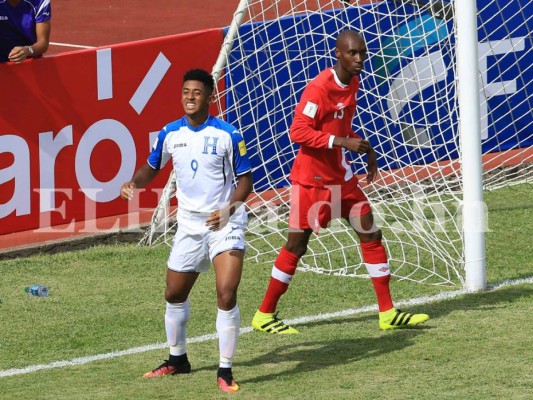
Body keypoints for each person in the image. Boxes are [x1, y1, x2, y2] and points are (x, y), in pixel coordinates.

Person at [251, 30, 429, 334]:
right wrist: (341, 142)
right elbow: (298, 132)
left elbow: (342, 128)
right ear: (338, 54)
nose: (359, 59)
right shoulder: (319, 89)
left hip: (343, 179)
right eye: (352, 54)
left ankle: (387, 312)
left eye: (362, 53)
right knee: (297, 244)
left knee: (370, 231)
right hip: (312, 182)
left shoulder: (354, 82)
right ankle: (264, 314)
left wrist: (366, 150)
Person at [121, 69, 253, 393]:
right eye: (185, 92)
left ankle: (225, 370)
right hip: (190, 225)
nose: (190, 98)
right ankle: (177, 359)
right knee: (174, 293)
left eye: (196, 92)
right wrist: (135, 182)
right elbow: (153, 165)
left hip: (225, 222)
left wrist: (227, 210)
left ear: (210, 97)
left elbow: (246, 180)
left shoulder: (229, 135)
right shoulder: (169, 133)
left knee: (226, 292)